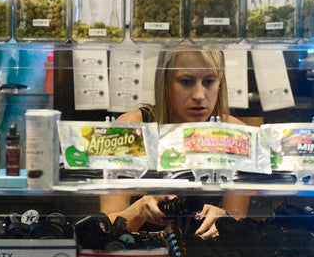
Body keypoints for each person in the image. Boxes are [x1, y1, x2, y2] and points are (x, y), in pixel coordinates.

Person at [100, 48, 251, 238]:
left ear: (220, 81)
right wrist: (140, 208)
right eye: (186, 82)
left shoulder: (236, 133)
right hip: (140, 256)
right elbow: (106, 225)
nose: (199, 94)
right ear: (165, 83)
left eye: (209, 81)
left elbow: (239, 224)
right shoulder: (128, 129)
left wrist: (224, 220)